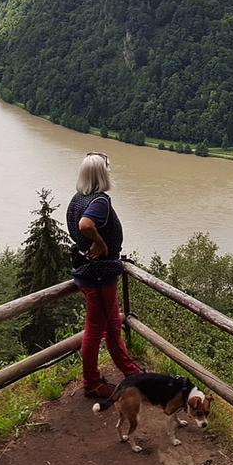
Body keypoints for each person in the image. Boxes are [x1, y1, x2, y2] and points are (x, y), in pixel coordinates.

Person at [67, 153, 141, 399]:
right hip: (99, 275)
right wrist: (100, 243)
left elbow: (78, 230)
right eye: (107, 169)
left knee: (105, 327)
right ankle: (96, 383)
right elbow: (85, 226)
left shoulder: (77, 199)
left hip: (90, 273)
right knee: (103, 328)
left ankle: (125, 373)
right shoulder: (99, 202)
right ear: (102, 174)